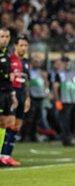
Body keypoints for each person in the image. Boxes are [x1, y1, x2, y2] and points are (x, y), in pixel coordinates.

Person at [0, 35, 30, 166]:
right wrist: (11, 94)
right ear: (15, 46)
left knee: (17, 125)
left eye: (25, 46)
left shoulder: (26, 63)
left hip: (22, 94)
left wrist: (28, 97)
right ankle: (2, 154)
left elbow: (27, 81)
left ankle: (7, 155)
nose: (23, 48)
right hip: (11, 93)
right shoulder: (9, 59)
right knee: (8, 123)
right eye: (21, 45)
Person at [54, 56, 75, 146]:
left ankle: (70, 137)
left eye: (67, 62)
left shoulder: (73, 73)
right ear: (61, 63)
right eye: (64, 62)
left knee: (73, 120)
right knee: (65, 121)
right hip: (64, 101)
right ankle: (66, 140)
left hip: (73, 101)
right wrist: (57, 100)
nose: (66, 64)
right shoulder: (59, 74)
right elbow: (55, 88)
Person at [0, 28, 18, 166]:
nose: (4, 39)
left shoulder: (8, 54)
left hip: (6, 93)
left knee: (4, 123)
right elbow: (7, 76)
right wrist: (7, 76)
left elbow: (10, 77)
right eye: (2, 36)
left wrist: (13, 94)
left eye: (7, 36)